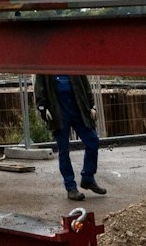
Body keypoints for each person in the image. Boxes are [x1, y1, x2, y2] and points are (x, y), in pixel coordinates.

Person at [35, 72, 105, 201]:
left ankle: (88, 177)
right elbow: (39, 88)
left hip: (79, 109)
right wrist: (43, 108)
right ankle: (71, 187)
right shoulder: (45, 67)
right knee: (64, 150)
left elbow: (85, 84)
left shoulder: (73, 63)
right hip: (58, 113)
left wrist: (92, 105)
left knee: (92, 140)